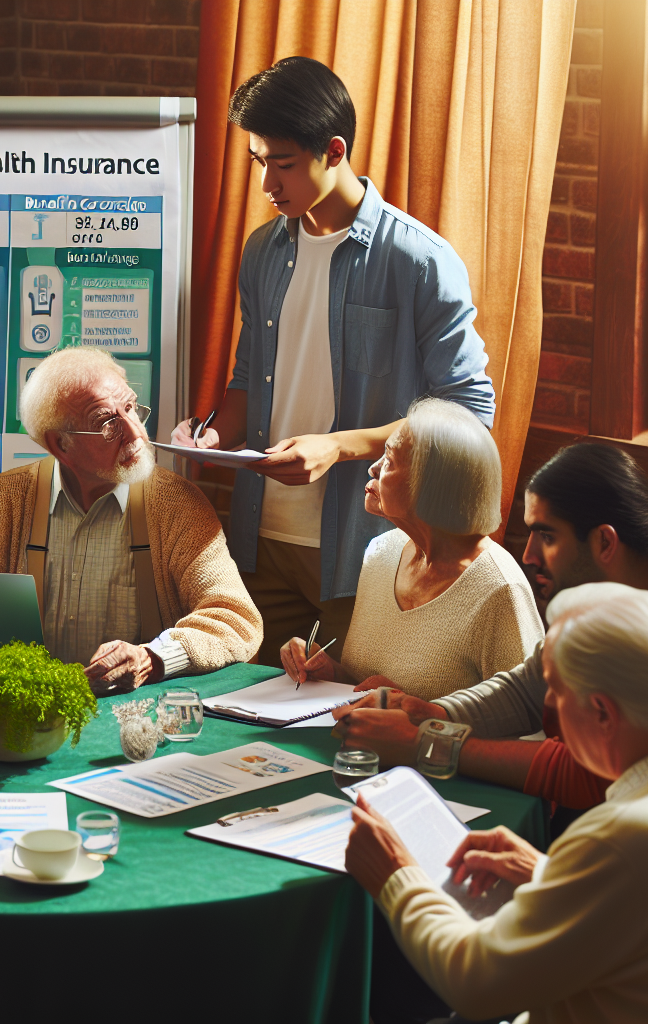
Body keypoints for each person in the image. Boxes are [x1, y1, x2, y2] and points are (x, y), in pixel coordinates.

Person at [345, 582, 648, 1024]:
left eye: (557, 693)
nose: (550, 708)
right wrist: (552, 875)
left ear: (603, 712)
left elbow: (474, 984)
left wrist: (397, 875)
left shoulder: (625, 840)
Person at [170, 56, 496, 665]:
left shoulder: (419, 261)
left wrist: (339, 446)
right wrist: (215, 433)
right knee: (243, 728)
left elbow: (470, 414)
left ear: (335, 151)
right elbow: (249, 378)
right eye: (258, 161)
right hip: (259, 542)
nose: (267, 184)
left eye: (283, 165)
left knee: (347, 730)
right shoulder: (263, 251)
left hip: (364, 549)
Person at [336, 441, 648, 838]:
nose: (527, 554)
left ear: (605, 543)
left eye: (546, 536)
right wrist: (430, 712)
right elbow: (530, 686)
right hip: (639, 843)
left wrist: (426, 743)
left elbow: (594, 772)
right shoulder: (610, 598)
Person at [0, 348, 262, 694]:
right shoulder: (5, 500)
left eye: (131, 408)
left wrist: (152, 657)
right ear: (61, 444)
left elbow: (237, 621)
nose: (136, 434)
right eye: (107, 423)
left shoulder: (177, 504)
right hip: (27, 716)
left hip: (137, 722)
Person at [280, 398, 542, 699]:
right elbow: (367, 683)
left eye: (389, 460)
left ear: (431, 485)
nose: (373, 469)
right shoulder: (381, 552)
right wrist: (331, 672)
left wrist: (417, 714)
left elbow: (526, 723)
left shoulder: (500, 589)